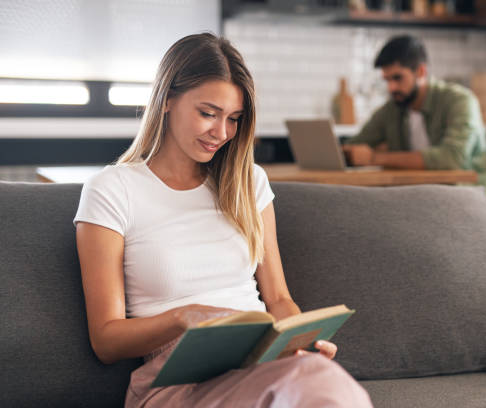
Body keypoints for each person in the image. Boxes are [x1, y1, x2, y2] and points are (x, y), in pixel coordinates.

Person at [73, 33, 372, 407]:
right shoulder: (112, 190)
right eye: (208, 113)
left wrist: (300, 345)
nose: (222, 133)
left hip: (257, 363)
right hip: (177, 381)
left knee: (320, 375)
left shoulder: (248, 182)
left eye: (233, 119)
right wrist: (183, 318)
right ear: (167, 100)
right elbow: (106, 340)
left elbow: (278, 299)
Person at [343, 35, 486, 207]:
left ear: (421, 72)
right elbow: (355, 145)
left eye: (397, 78)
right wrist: (348, 152)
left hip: (467, 201)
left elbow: (452, 158)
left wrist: (375, 157)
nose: (391, 87)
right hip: (419, 202)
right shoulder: (392, 109)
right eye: (387, 80)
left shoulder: (460, 101)